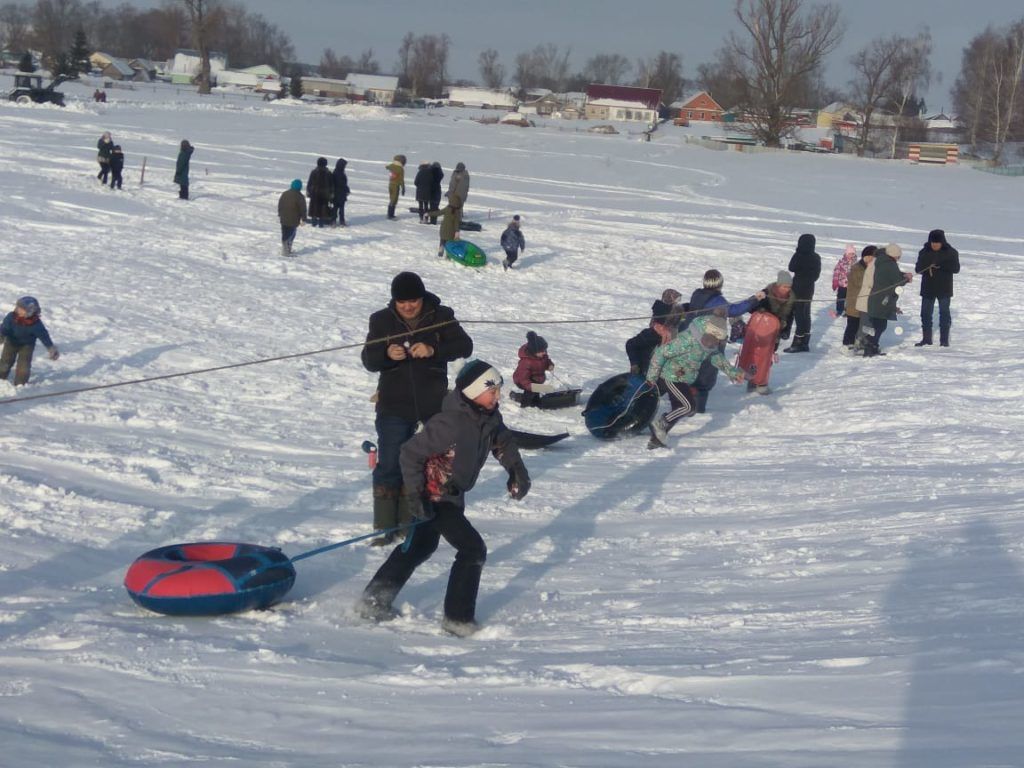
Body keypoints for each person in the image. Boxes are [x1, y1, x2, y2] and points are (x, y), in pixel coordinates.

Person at [356, 359, 530, 637]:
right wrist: (415, 497)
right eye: (491, 391)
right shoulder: (450, 423)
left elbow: (503, 441)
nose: (497, 397)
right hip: (433, 496)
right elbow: (410, 453)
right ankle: (457, 619)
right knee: (473, 550)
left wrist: (516, 470)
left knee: (418, 548)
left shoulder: (489, 417)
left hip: (452, 495)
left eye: (498, 390)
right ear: (473, 392)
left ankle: (373, 601)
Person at [361, 272, 473, 546]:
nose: (408, 306)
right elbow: (368, 359)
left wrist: (434, 348)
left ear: (422, 297)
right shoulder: (381, 320)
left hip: (432, 404)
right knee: (389, 463)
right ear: (394, 301)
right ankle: (386, 525)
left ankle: (425, 520)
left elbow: (465, 346)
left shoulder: (441, 315)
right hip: (393, 403)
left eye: (413, 301)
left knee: (433, 464)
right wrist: (386, 354)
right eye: (402, 302)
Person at [645, 313, 745, 449]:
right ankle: (659, 424)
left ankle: (656, 440)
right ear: (708, 333)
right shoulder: (687, 340)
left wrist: (732, 372)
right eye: (715, 340)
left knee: (679, 409)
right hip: (670, 376)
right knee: (687, 406)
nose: (715, 344)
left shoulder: (708, 344)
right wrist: (652, 377)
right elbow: (661, 352)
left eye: (718, 341)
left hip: (683, 378)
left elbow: (716, 356)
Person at [683, 269, 764, 413]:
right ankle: (697, 408)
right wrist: (754, 299)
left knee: (693, 368)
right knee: (706, 374)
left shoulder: (697, 295)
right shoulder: (717, 300)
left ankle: (686, 399)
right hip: (710, 340)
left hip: (692, 335)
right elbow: (734, 310)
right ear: (720, 284)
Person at [915, 229, 960, 347]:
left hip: (944, 289)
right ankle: (926, 339)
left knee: (944, 314)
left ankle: (944, 340)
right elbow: (918, 269)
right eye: (933, 242)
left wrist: (941, 266)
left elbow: (956, 268)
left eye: (937, 243)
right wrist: (927, 266)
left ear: (942, 242)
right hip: (927, 288)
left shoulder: (951, 252)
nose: (934, 245)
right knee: (925, 314)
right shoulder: (924, 252)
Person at [0, 296, 59, 386]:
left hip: (27, 346)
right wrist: (1, 336)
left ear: (30, 312)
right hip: (11, 343)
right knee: (5, 362)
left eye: (21, 309)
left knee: (24, 366)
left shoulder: (36, 324)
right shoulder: (11, 317)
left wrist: (50, 347)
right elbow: (4, 328)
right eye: (18, 307)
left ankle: (20, 383)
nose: (17, 310)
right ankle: (1, 377)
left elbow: (44, 335)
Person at [862, 243, 907, 357]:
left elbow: (892, 276)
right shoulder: (890, 264)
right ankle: (870, 346)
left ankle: (871, 345)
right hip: (883, 299)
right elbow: (898, 281)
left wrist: (904, 275)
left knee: (876, 324)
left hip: (876, 298)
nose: (898, 258)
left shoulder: (881, 261)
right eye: (898, 256)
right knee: (880, 325)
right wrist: (906, 278)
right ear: (894, 255)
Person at [785, 233, 821, 353]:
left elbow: (791, 267)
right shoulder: (816, 257)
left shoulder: (799, 255)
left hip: (798, 288)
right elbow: (816, 275)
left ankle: (798, 342)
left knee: (799, 315)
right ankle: (805, 341)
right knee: (806, 315)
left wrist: (798, 253)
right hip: (809, 289)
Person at [626, 300, 675, 376]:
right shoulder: (651, 334)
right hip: (649, 372)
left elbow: (630, 344)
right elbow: (630, 344)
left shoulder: (663, 333)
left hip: (655, 373)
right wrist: (635, 364)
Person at [842, 246, 875, 347]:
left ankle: (861, 343)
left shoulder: (872, 268)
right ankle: (847, 344)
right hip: (854, 303)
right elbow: (862, 283)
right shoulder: (857, 268)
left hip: (865, 303)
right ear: (867, 257)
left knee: (865, 325)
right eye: (873, 257)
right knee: (853, 324)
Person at [512, 331, 554, 407]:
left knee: (536, 400)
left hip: (536, 380)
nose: (544, 353)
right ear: (534, 352)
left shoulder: (542, 356)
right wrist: (535, 387)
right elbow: (523, 380)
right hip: (524, 382)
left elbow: (546, 361)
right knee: (529, 397)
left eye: (544, 350)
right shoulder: (526, 362)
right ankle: (521, 402)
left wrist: (550, 365)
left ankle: (534, 401)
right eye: (542, 351)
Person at [277, 179, 307, 256]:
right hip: (293, 219)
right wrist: (304, 219)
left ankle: (286, 249)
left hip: (283, 218)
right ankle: (286, 250)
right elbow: (303, 209)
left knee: (285, 233)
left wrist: (280, 214)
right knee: (291, 234)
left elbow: (280, 205)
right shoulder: (300, 196)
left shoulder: (285, 194)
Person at [429, 192, 462, 258]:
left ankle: (440, 252)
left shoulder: (447, 209)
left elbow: (438, 213)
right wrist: (457, 231)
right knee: (449, 244)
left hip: (443, 230)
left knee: (442, 241)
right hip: (451, 232)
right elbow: (456, 223)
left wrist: (429, 214)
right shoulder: (457, 212)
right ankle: (448, 256)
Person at [307, 157, 333, 227]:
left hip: (314, 194)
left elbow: (309, 183)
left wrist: (309, 191)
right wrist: (331, 194)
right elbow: (331, 185)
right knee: (323, 211)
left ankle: (313, 223)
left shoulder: (314, 172)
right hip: (324, 195)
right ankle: (321, 224)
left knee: (314, 210)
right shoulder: (328, 173)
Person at [832, 244, 858, 315]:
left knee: (850, 299)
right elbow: (836, 272)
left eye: (853, 254)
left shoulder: (856, 263)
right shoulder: (841, 262)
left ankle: (848, 311)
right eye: (850, 253)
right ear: (846, 254)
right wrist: (835, 282)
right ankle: (839, 310)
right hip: (842, 284)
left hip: (851, 285)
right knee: (840, 297)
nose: (851, 255)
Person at [385, 154, 406, 219]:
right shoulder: (400, 169)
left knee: (391, 199)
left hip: (390, 184)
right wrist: (403, 188)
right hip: (396, 186)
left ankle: (389, 213)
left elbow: (387, 167)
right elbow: (401, 179)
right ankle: (390, 214)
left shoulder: (392, 166)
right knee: (394, 200)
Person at [332, 158, 350, 226]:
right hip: (340, 194)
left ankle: (333, 220)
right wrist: (347, 190)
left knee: (335, 208)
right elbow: (343, 184)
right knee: (341, 209)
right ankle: (341, 221)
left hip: (336, 194)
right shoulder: (340, 173)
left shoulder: (335, 172)